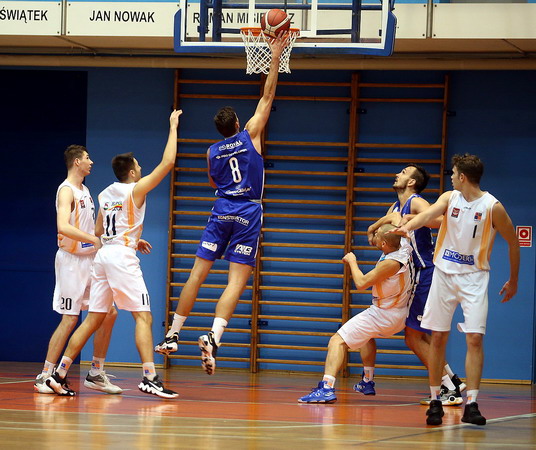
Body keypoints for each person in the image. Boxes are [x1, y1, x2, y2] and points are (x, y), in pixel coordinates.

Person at [154, 35, 288, 376]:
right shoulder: (251, 134)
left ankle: (172, 334)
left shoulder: (211, 151)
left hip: (221, 209)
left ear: (219, 130)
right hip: (248, 212)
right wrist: (275, 55)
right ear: (238, 125)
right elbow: (267, 95)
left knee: (197, 274)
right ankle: (213, 336)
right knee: (236, 282)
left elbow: (214, 183)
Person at [46, 110, 183, 398]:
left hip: (103, 256)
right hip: (120, 257)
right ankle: (150, 377)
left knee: (94, 318)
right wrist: (173, 126)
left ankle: (59, 373)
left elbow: (99, 230)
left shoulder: (104, 193)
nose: (141, 169)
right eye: (139, 166)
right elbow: (168, 162)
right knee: (143, 317)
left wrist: (132, 238)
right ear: (132, 172)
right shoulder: (136, 190)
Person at [393, 154, 520, 426]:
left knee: (474, 339)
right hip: (443, 275)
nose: (450, 177)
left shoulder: (492, 206)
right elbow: (427, 215)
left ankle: (472, 404)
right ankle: (435, 401)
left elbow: (513, 242)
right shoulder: (450, 198)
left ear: (462, 176)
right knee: (438, 337)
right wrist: (408, 225)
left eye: (453, 173)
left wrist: (514, 280)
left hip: (475, 277)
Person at [367, 164, 466, 406]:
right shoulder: (395, 207)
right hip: (413, 275)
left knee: (412, 337)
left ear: (412, 182)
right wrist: (376, 232)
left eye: (403, 172)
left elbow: (441, 220)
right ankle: (452, 380)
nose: (397, 174)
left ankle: (448, 387)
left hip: (426, 272)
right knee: (419, 335)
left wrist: (416, 219)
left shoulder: (416, 202)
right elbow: (389, 230)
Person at [34, 145, 122, 395]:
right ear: (76, 162)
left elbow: (94, 231)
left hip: (90, 259)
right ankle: (45, 374)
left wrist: (119, 239)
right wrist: (92, 239)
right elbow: (62, 226)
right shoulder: (66, 190)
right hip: (71, 261)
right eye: (87, 158)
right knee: (70, 318)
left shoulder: (86, 190)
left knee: (109, 313)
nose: (91, 162)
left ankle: (96, 372)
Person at [298, 224, 414, 403]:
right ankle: (367, 381)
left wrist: (352, 261)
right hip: (398, 312)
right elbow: (392, 218)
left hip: (384, 314)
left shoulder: (391, 263)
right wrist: (372, 229)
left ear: (384, 243)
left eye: (377, 235)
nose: (373, 237)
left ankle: (326, 388)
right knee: (366, 337)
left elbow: (361, 283)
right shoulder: (404, 245)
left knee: (337, 341)